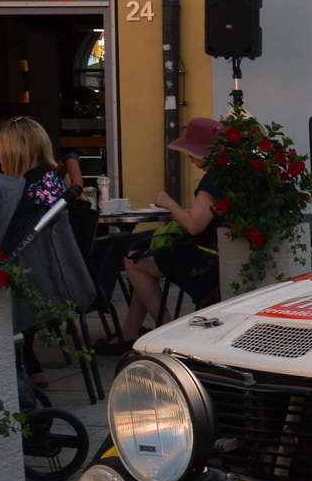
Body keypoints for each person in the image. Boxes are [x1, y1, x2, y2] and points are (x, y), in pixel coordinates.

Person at [97, 116, 228, 353]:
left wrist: (170, 204)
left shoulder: (212, 178)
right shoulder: (228, 174)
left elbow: (194, 226)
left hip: (203, 256)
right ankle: (130, 332)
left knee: (132, 261)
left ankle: (166, 331)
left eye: (191, 151)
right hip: (219, 253)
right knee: (139, 261)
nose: (188, 156)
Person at [0, 118, 71, 385]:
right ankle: (31, 363)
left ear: (18, 148)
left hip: (36, 280)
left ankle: (10, 366)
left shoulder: (29, 191)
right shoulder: (51, 180)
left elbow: (11, 241)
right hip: (55, 275)